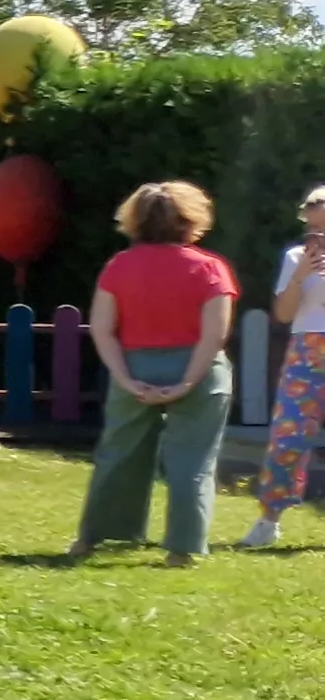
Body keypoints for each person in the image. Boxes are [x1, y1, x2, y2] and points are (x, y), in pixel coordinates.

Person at [80, 181, 238, 566]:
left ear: (135, 219)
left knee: (118, 454)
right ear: (191, 220)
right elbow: (214, 335)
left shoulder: (119, 266)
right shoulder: (209, 268)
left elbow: (102, 328)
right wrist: (187, 382)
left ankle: (93, 539)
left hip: (135, 365)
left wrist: (125, 378)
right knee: (192, 462)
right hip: (199, 372)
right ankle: (182, 550)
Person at [242, 184, 325, 550]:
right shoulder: (295, 257)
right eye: (312, 226)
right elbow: (284, 313)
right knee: (289, 434)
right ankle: (268, 520)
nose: (317, 234)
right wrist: (300, 273)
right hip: (307, 347)